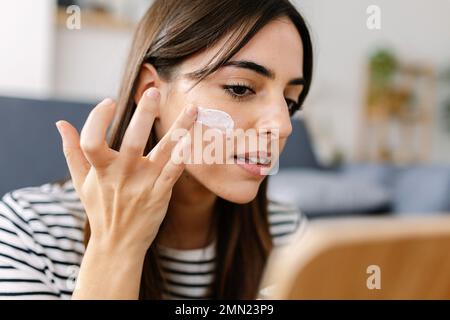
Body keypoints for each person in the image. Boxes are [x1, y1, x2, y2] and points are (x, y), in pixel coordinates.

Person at [0, 0, 313, 299]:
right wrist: (118, 244)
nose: (283, 125)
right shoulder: (30, 231)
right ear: (151, 90)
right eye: (240, 88)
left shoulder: (289, 237)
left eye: (289, 101)